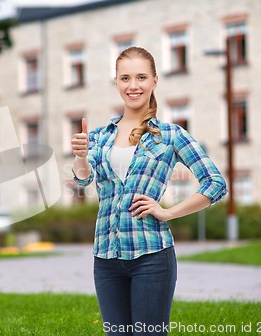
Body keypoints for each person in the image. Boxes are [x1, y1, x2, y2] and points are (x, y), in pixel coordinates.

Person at [71, 46, 227, 336]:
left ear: (154, 81)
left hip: (152, 256)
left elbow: (215, 183)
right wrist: (80, 156)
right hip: (106, 259)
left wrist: (168, 212)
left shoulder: (170, 135)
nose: (133, 85)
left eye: (141, 77)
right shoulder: (99, 137)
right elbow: (82, 179)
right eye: (125, 78)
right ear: (116, 82)